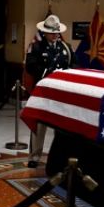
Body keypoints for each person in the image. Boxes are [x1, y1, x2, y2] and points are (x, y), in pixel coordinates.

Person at [25, 14, 73, 168]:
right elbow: (30, 67)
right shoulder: (37, 47)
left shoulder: (66, 48)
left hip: (61, 93)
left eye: (57, 32)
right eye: (52, 32)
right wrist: (50, 73)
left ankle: (60, 158)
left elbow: (75, 65)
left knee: (62, 128)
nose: (55, 35)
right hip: (43, 92)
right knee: (39, 126)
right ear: (45, 32)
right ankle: (35, 156)